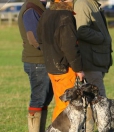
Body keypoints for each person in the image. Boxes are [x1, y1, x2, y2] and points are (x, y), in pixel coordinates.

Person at [37, 0, 85, 122]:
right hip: (65, 68)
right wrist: (78, 69)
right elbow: (70, 46)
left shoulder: (46, 14)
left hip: (52, 67)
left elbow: (40, 40)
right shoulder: (66, 16)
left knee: (60, 103)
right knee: (67, 105)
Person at [74, 0, 113, 131]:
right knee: (99, 101)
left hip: (96, 60)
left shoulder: (93, 3)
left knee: (94, 101)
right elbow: (81, 30)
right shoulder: (83, 4)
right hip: (90, 62)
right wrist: (102, 37)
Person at [18, 0, 53, 132]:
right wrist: (53, 50)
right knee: (39, 100)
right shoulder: (31, 9)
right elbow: (35, 39)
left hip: (42, 60)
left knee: (44, 100)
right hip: (37, 61)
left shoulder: (39, 7)